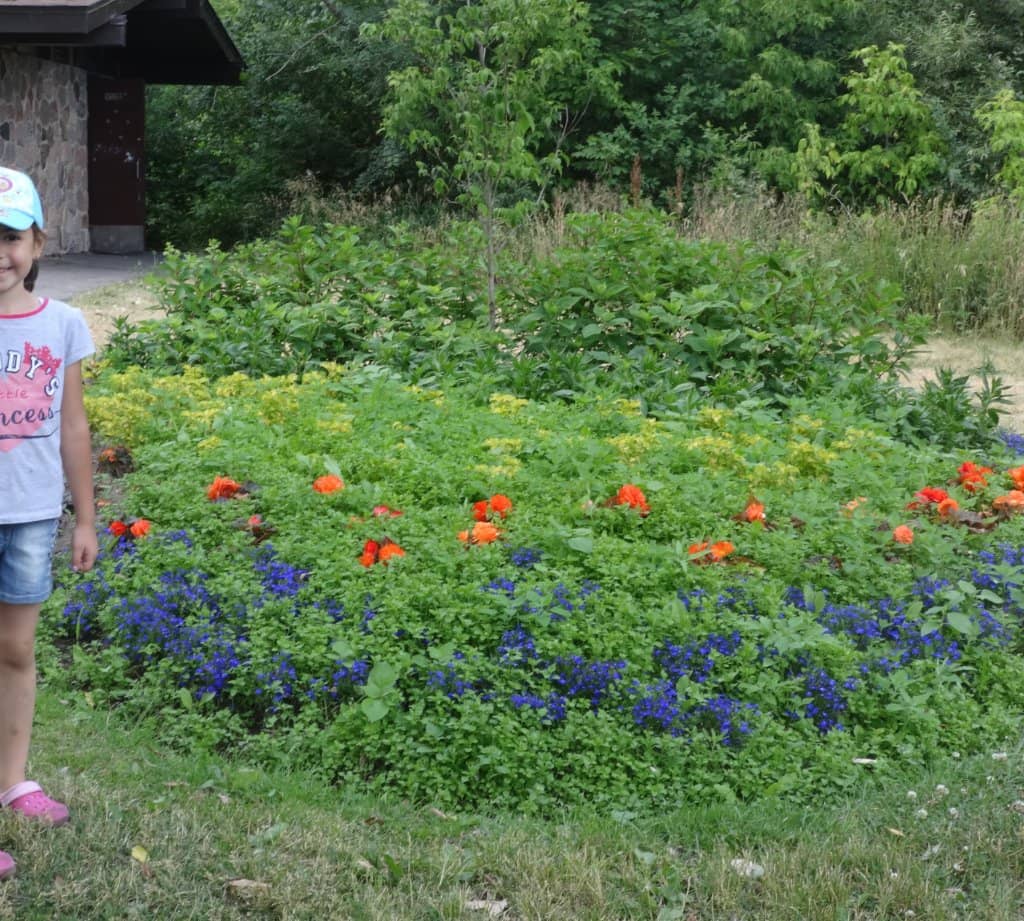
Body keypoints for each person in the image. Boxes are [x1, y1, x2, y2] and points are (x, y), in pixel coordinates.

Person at [0, 166, 98, 879]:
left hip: (32, 519)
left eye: (10, 237)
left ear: (38, 242)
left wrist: (85, 517)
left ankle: (14, 780)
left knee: (16, 653)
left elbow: (73, 428)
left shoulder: (63, 326)